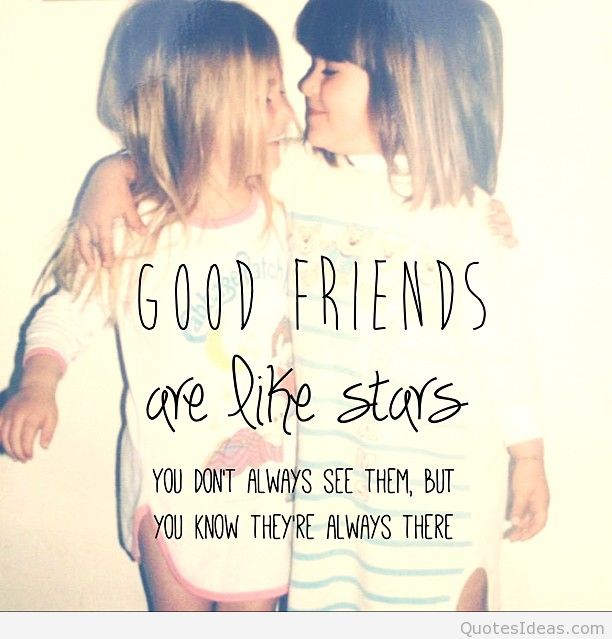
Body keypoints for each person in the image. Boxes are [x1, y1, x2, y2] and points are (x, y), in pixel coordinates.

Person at [60, 0, 550, 612]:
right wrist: (113, 172)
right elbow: (198, 147)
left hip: (437, 485)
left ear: (406, 84)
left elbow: (504, 346)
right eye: (311, 65)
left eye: (329, 69)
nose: (305, 84)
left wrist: (528, 454)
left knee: (439, 601)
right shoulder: (293, 172)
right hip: (329, 487)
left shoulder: (466, 214)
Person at [0, 0, 295, 612]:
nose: (288, 114)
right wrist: (38, 383)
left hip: (268, 492)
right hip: (169, 483)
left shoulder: (286, 213)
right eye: (266, 97)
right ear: (200, 112)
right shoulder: (137, 229)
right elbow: (67, 312)